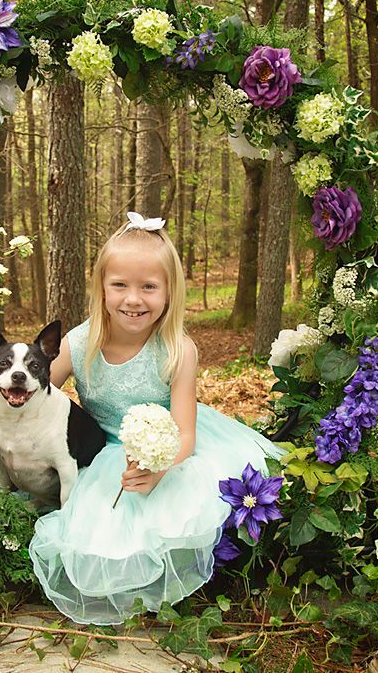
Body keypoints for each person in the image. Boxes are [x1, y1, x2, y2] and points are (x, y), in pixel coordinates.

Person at [28, 212, 283, 625]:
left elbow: (185, 433)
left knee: (168, 508)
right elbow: (39, 395)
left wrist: (161, 468)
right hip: (107, 452)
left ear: (169, 292)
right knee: (101, 526)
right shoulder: (79, 343)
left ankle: (180, 586)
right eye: (120, 286)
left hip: (172, 451)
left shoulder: (178, 349)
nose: (133, 299)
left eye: (149, 286)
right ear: (102, 289)